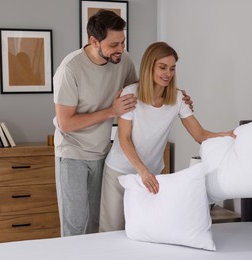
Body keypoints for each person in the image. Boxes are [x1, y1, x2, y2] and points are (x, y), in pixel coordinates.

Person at [53, 10, 193, 237]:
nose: (120, 48)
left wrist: (175, 93)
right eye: (114, 44)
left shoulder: (123, 60)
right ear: (94, 41)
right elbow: (65, 123)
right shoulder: (70, 70)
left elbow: (140, 91)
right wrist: (110, 111)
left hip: (103, 152)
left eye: (123, 42)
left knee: (98, 223)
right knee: (76, 224)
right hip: (73, 154)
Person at [99, 41, 235, 232]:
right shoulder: (130, 95)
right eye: (162, 67)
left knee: (147, 231)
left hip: (152, 175)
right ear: (149, 67)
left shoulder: (178, 99)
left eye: (172, 69)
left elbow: (200, 134)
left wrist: (229, 135)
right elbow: (124, 139)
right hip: (120, 172)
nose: (168, 74)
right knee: (112, 232)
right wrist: (142, 171)